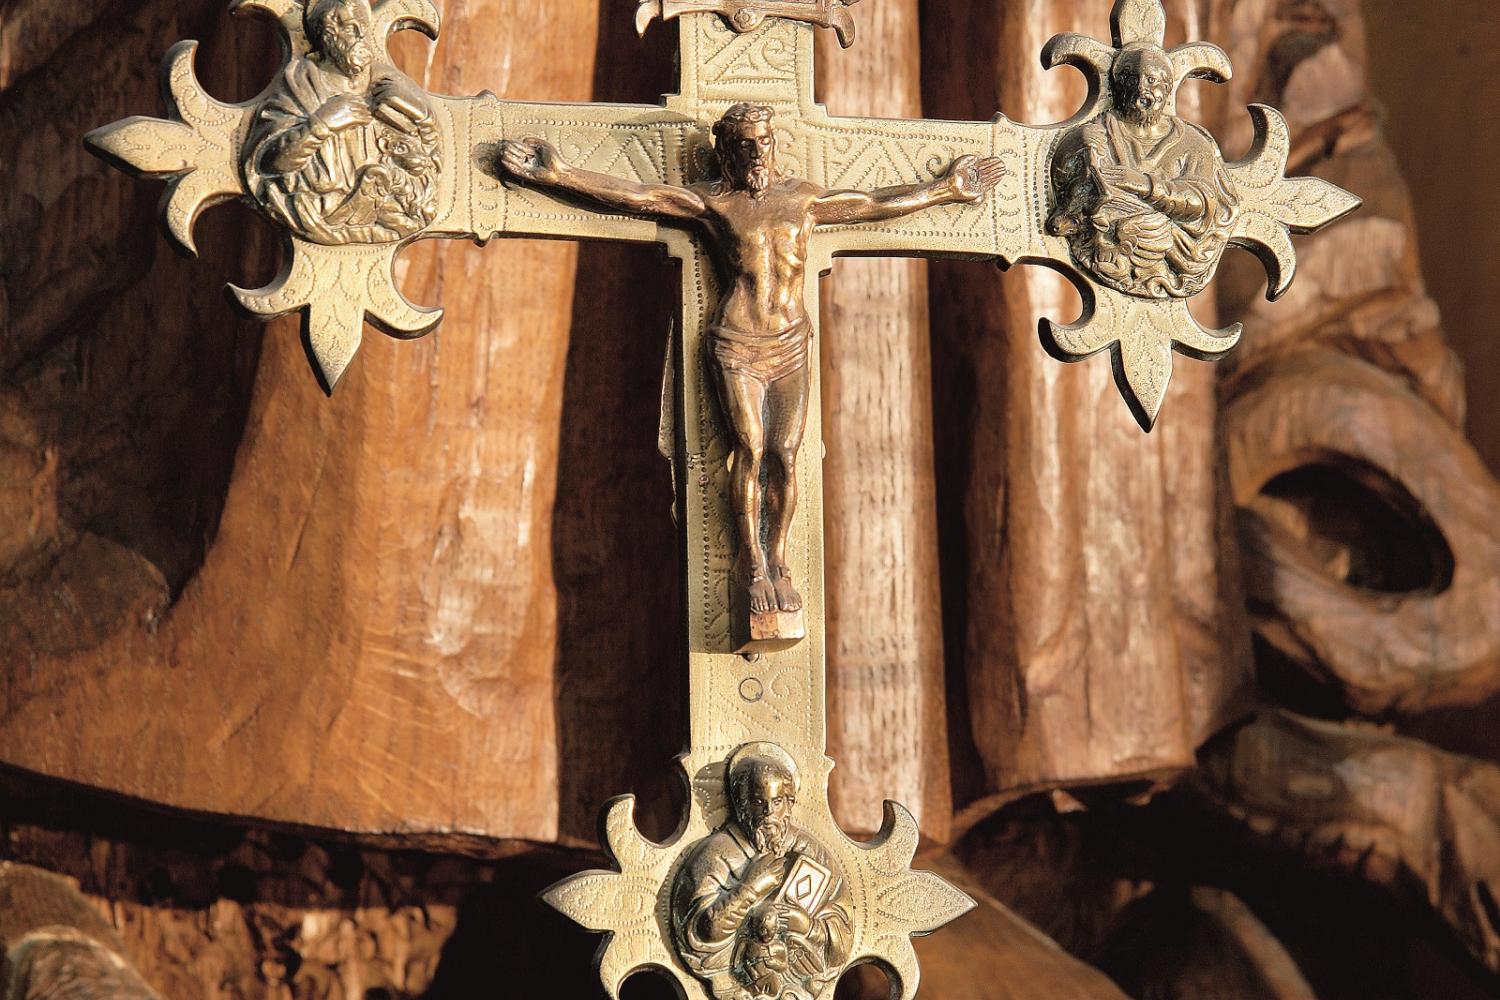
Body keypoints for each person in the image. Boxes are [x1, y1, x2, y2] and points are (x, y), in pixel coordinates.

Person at [501, 105, 1004, 616]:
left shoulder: (802, 200)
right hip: (738, 343)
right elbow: (639, 196)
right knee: (750, 446)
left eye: (762, 141)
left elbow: (874, 202)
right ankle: (751, 560)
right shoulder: (713, 204)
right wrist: (559, 173)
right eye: (743, 144)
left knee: (785, 454)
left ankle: (777, 557)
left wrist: (947, 189)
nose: (755, 153)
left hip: (790, 341)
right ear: (726, 151)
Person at [1047, 42, 1239, 299]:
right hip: (1103, 249)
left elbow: (1202, 201)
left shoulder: (1192, 144)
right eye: (1131, 79)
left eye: (1152, 80)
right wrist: (1075, 145)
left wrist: (1144, 185)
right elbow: (1063, 183)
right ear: (1117, 86)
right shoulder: (1098, 134)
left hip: (1167, 251)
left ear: (1167, 89)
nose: (1141, 88)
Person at [244, 0, 440, 245]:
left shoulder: (388, 82)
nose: (359, 34)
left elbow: (427, 160)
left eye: (362, 27)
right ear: (328, 37)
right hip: (322, 212)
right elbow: (268, 162)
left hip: (389, 212)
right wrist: (322, 123)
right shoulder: (301, 86)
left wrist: (421, 115)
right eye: (349, 27)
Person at [669, 744, 851, 998]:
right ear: (742, 804)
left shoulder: (811, 851)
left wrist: (809, 927)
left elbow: (842, 933)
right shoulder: (715, 854)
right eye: (758, 802)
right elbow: (700, 931)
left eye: (776, 802)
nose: (768, 812)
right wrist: (749, 890)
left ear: (789, 803)